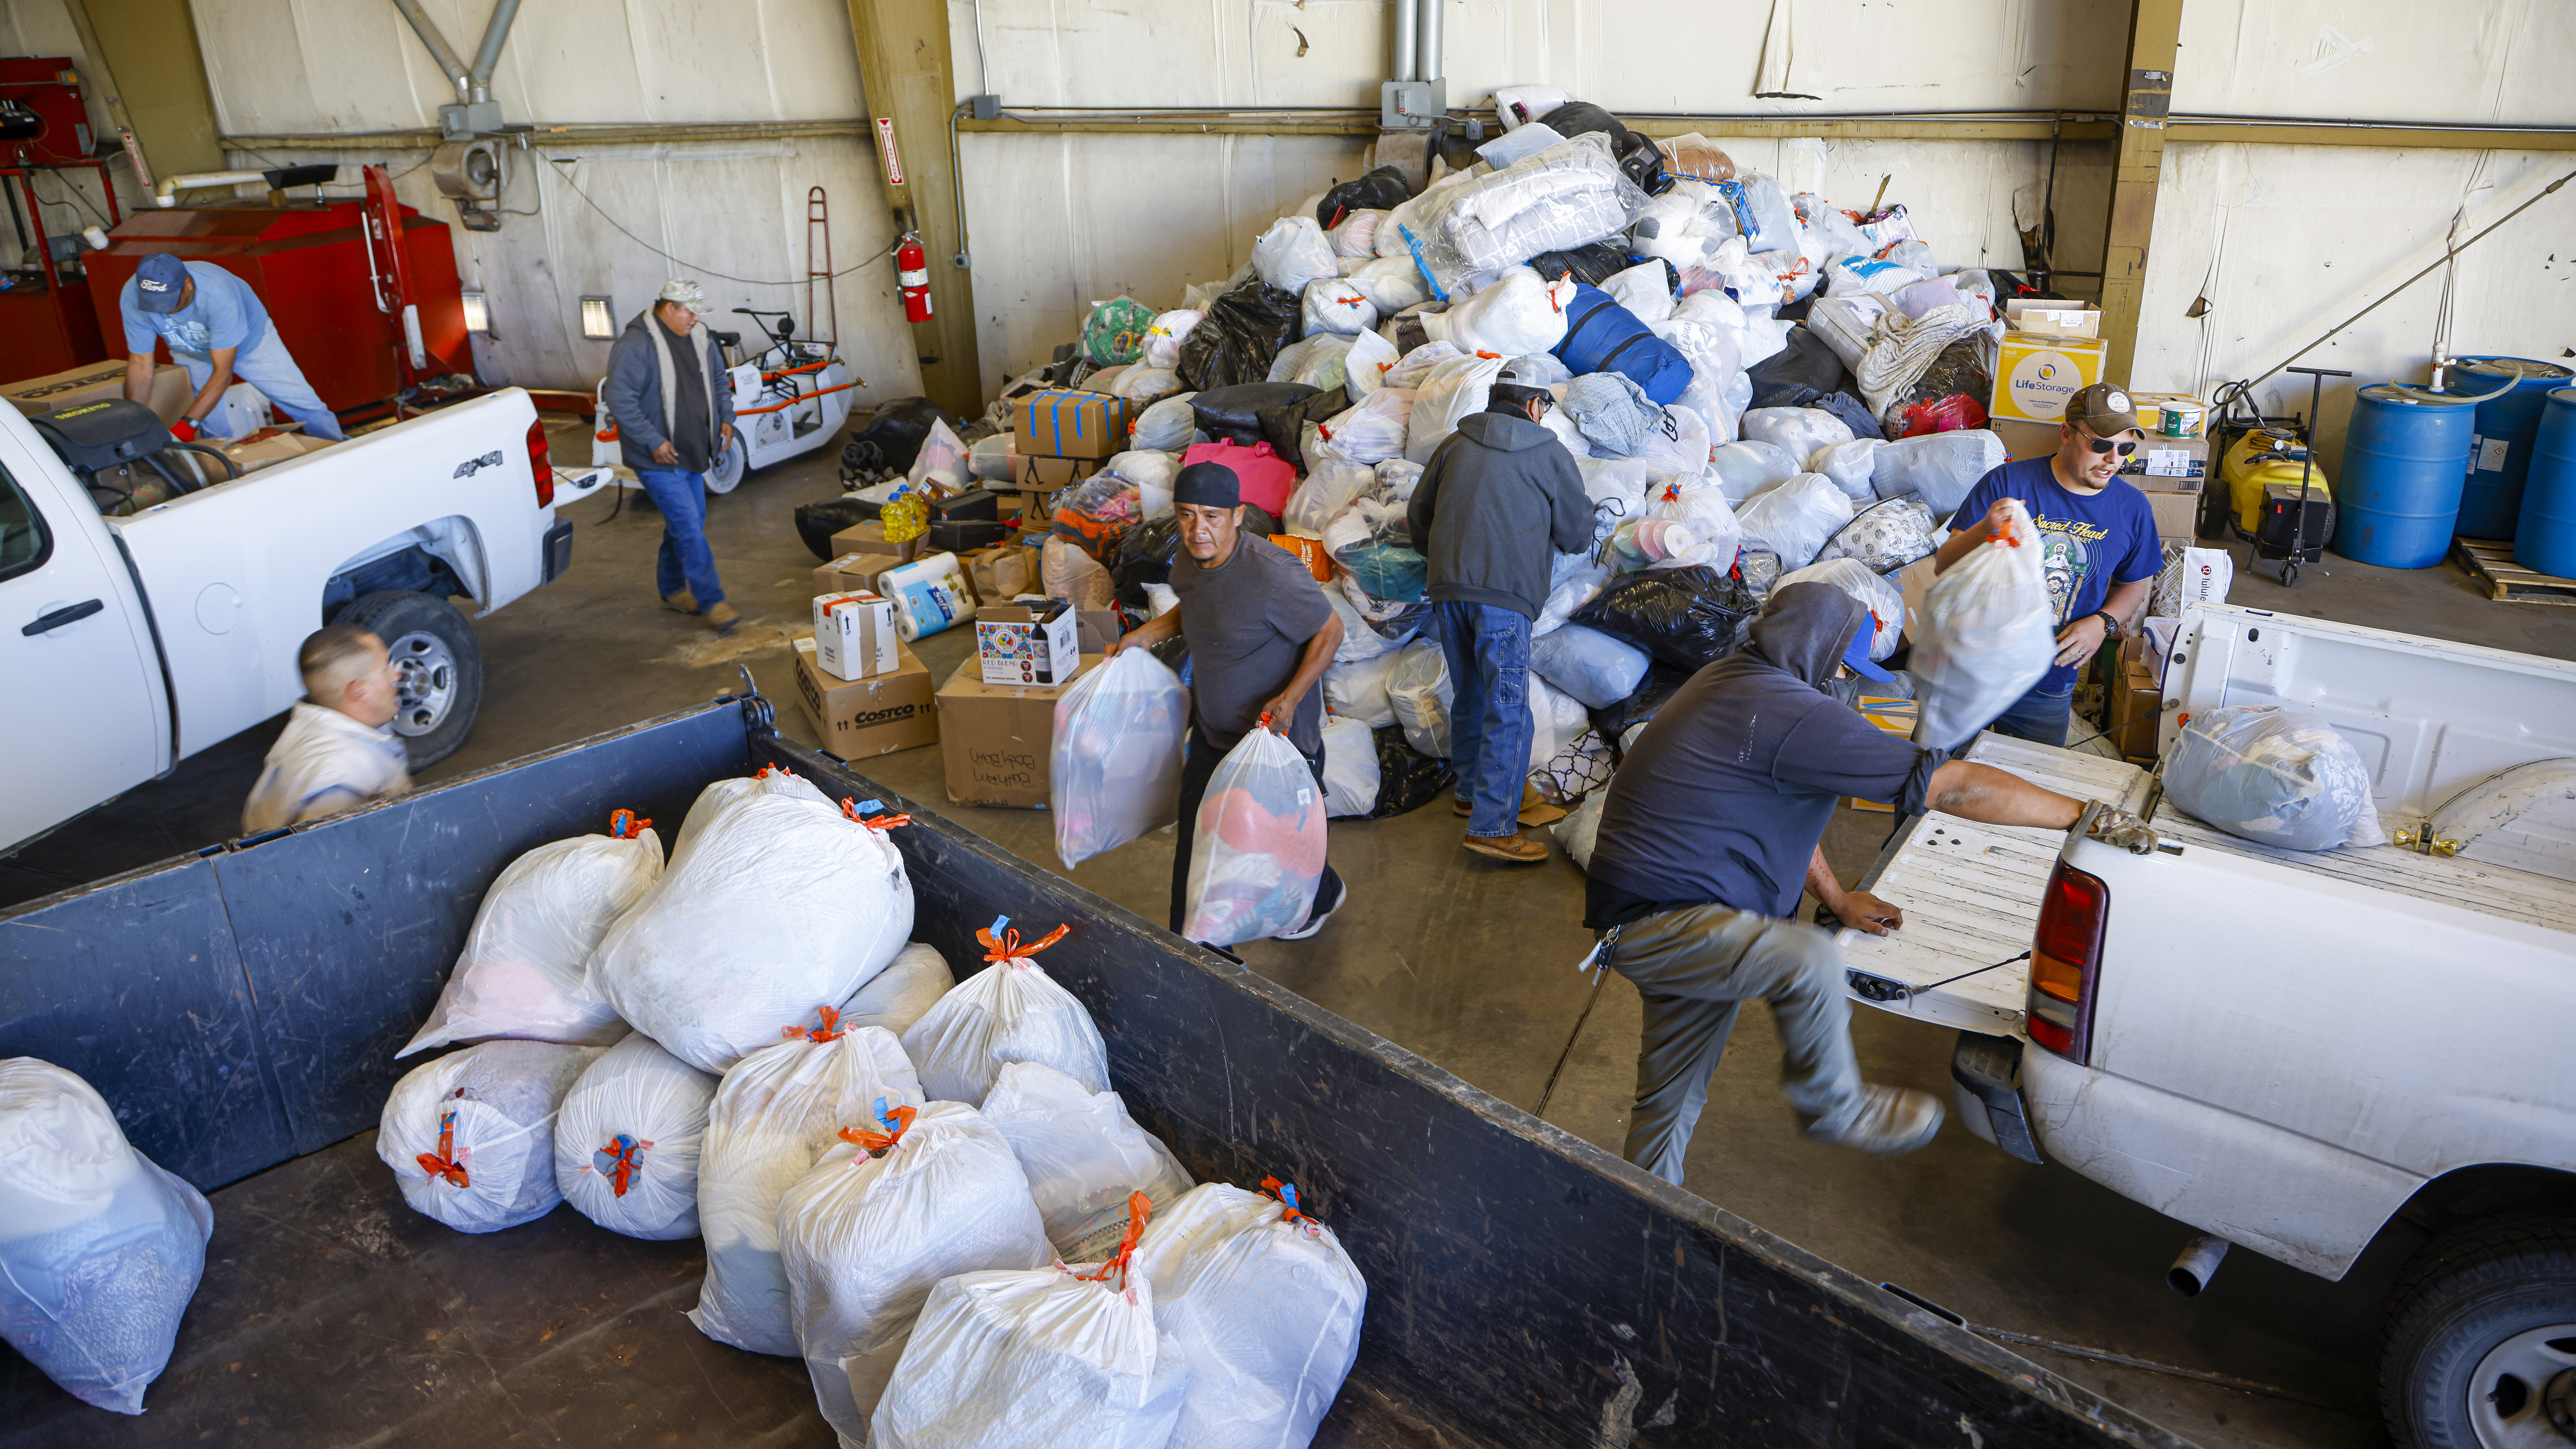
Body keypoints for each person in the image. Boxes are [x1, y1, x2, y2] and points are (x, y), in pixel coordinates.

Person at [1584, 582, 2088, 1184]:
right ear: (1816, 655)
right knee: (1808, 961)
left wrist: (1838, 898)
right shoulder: (1784, 707)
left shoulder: (1734, 681)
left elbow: (1772, 814)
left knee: (1669, 1103)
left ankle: (1641, 1217)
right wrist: (2081, 817)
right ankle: (1833, 1107)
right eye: (1844, 671)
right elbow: (1949, 786)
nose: (1847, 688)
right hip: (1668, 921)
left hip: (1667, 920)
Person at [1109, 462, 1348, 945]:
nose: (1199, 530)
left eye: (1213, 517)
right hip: (1215, 732)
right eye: (1187, 515)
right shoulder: (1188, 560)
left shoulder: (1271, 575)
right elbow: (1195, 606)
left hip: (1276, 739)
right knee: (1198, 844)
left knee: (1276, 840)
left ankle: (1322, 894)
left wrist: (1291, 697)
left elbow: (1331, 630)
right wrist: (1147, 635)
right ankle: (1194, 950)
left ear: (1238, 516)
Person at [1406, 381, 1593, 863]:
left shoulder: (1454, 444)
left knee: (1469, 694)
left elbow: (1419, 516)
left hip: (1448, 591)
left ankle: (1469, 792)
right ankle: (1493, 828)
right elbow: (1576, 535)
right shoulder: (1549, 453)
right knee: (1509, 708)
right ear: (1534, 407)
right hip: (1506, 598)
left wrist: (1447, 561)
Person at [1933, 382, 2163, 746]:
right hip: (1971, 669)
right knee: (1937, 780)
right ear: (2066, 434)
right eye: (2101, 445)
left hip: (2049, 682)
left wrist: (2101, 623)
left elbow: (2134, 583)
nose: (2113, 460)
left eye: (2125, 448)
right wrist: (1983, 530)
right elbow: (1943, 565)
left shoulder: (2132, 509)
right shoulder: (2007, 483)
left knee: (2029, 784)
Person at [605, 279, 740, 636]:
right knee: (688, 527)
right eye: (690, 312)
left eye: (698, 313)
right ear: (669, 309)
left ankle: (671, 589)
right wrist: (652, 440)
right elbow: (620, 400)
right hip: (657, 458)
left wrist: (727, 418)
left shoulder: (700, 337)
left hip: (692, 449)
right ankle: (713, 602)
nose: (695, 319)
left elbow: (718, 380)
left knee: (687, 523)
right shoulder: (635, 345)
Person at [120, 253, 346, 443]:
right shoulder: (133, 296)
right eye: (155, 305)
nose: (163, 311)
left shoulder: (218, 294)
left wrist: (185, 428)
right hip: (191, 349)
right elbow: (141, 364)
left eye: (170, 303)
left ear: (187, 284)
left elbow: (223, 373)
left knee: (302, 403)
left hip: (251, 345)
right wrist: (133, 423)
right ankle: (223, 474)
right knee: (213, 427)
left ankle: (341, 451)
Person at [242, 625, 412, 833]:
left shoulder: (312, 723)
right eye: (386, 669)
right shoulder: (341, 779)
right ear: (359, 691)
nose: (397, 675)